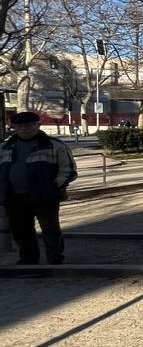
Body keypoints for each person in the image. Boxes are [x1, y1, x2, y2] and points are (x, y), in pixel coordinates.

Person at [0, 112, 77, 265]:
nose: (24, 129)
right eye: (19, 126)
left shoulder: (55, 145)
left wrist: (55, 187)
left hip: (45, 196)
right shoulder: (4, 147)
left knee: (50, 230)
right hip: (14, 197)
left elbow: (68, 170)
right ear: (14, 127)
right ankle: (28, 259)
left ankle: (55, 259)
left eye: (28, 125)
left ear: (38, 125)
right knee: (21, 231)